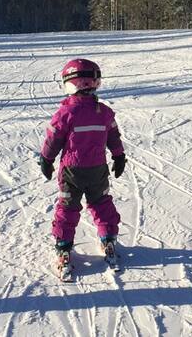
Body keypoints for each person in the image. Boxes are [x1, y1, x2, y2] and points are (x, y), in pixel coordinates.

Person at [38, 58, 127, 279]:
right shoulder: (104, 112)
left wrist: (46, 159)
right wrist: (119, 156)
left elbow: (53, 139)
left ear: (71, 84)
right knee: (101, 202)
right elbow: (114, 136)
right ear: (94, 83)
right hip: (97, 169)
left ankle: (64, 245)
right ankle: (108, 238)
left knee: (68, 207)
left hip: (72, 171)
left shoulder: (65, 113)